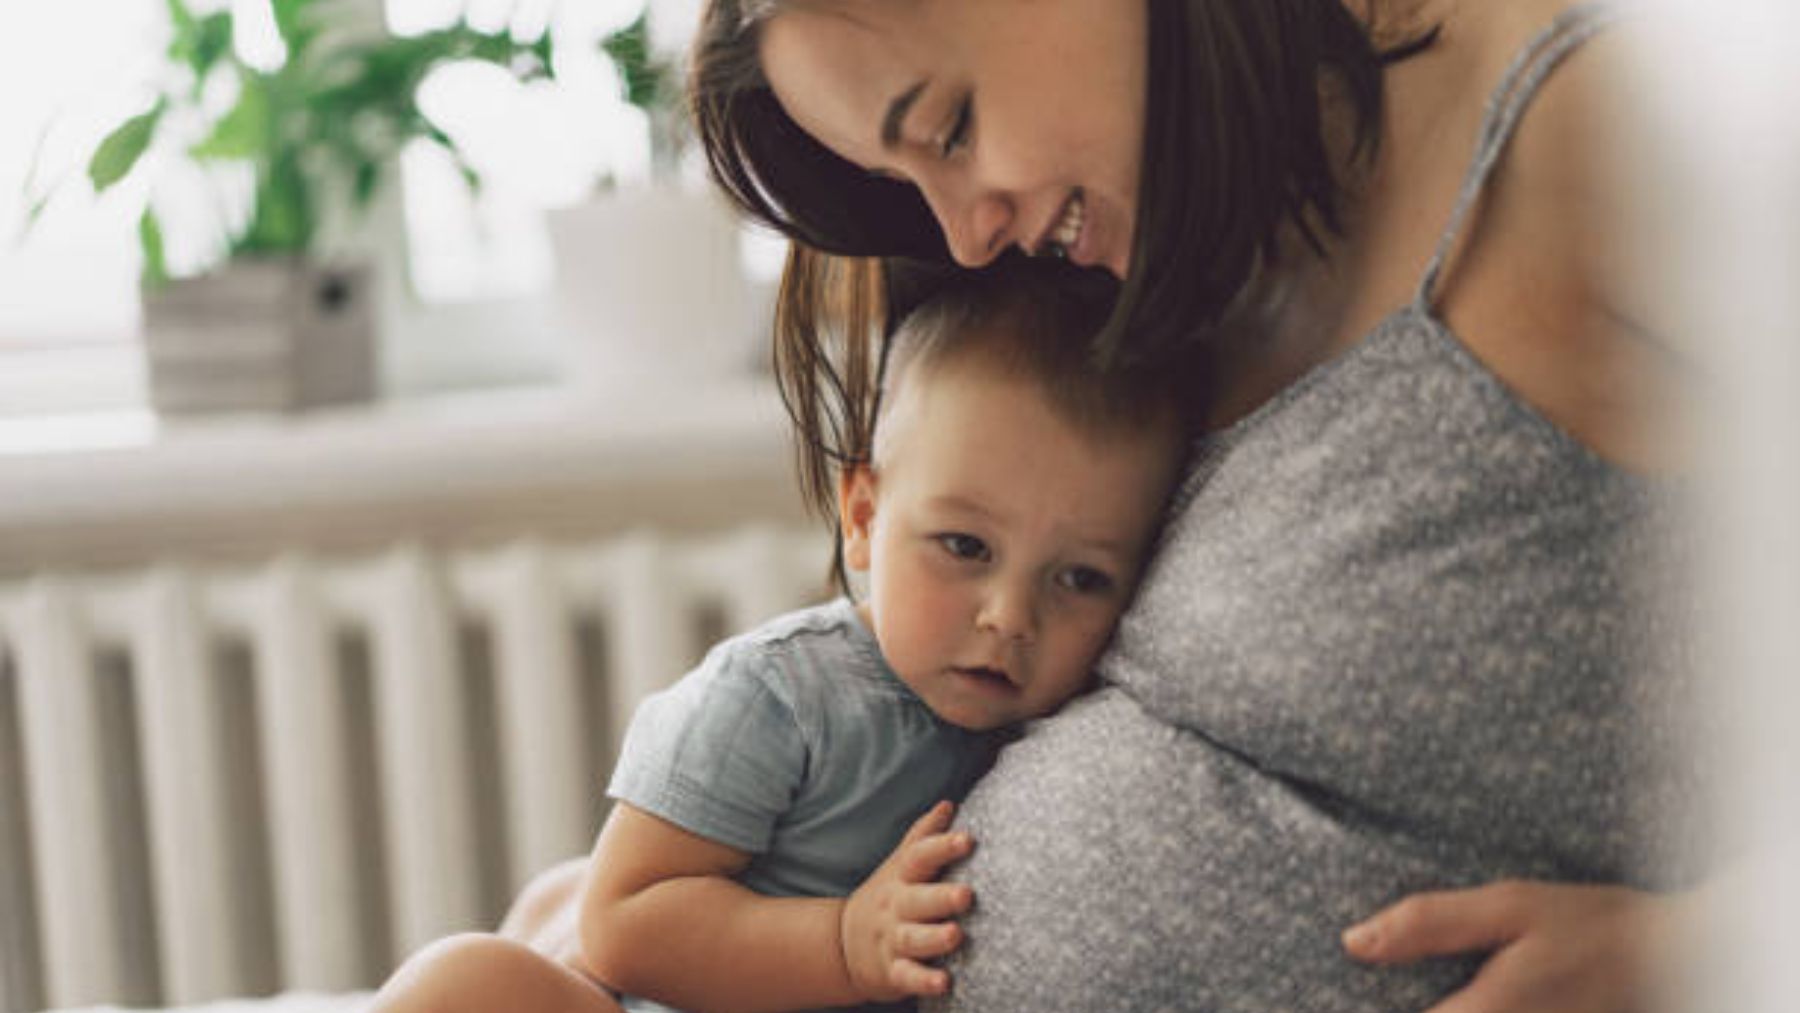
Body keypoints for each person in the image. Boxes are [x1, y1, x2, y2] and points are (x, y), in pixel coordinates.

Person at [688, 0, 1703, 1009]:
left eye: (953, 127)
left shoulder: (1596, 124)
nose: (964, 235)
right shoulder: (1154, 244)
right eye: (904, 181)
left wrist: (1691, 952)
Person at [368, 261, 1191, 1013]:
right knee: (468, 980)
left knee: (554, 903)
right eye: (965, 547)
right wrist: (843, 942)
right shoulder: (781, 697)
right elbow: (623, 920)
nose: (1011, 616)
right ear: (864, 519)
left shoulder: (1080, 726)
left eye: (1080, 578)